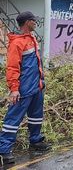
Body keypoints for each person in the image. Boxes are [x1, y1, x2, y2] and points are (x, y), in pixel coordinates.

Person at [0, 11, 51, 165]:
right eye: (34, 20)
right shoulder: (17, 42)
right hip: (23, 89)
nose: (35, 23)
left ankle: (35, 140)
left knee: (36, 116)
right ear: (28, 22)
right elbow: (12, 67)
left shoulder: (31, 38)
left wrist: (41, 80)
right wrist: (14, 88)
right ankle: (4, 150)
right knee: (13, 118)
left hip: (36, 87)